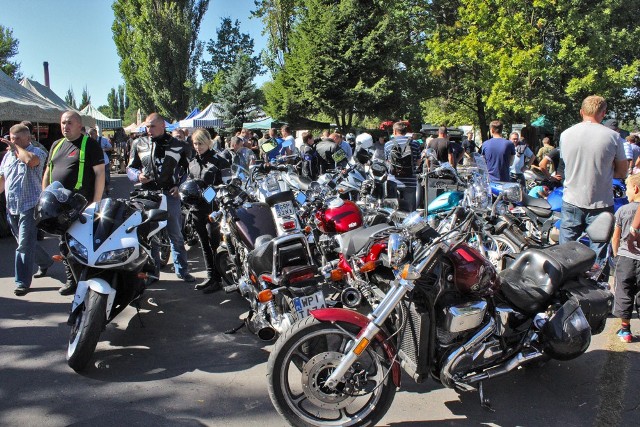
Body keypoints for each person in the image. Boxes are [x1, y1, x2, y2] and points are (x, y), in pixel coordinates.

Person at [559, 95, 627, 275]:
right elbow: (622, 172)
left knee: (565, 252)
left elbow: (564, 165)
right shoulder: (613, 137)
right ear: (603, 114)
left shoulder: (566, 134)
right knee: (598, 253)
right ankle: (596, 293)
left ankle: (564, 289)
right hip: (601, 202)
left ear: (581, 111)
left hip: (571, 199)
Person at [42, 111, 106, 295]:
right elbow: (48, 170)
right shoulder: (56, 144)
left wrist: (96, 203)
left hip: (81, 205)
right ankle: (72, 280)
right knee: (64, 245)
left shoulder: (90, 145)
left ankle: (88, 281)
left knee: (83, 246)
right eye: (63, 123)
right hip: (58, 206)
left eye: (69, 123)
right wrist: (44, 194)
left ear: (79, 125)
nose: (65, 126)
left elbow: (100, 174)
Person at [127, 112, 195, 283]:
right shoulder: (138, 143)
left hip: (169, 194)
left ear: (163, 126)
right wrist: (138, 176)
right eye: (147, 126)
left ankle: (182, 270)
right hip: (147, 195)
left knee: (176, 234)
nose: (148, 130)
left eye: (152, 126)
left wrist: (179, 186)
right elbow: (130, 168)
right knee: (151, 236)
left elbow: (188, 170)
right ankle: (153, 273)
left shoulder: (179, 145)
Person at [0, 124, 52, 296]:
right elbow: (2, 179)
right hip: (12, 207)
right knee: (27, 243)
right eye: (11, 139)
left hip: (30, 206)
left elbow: (31, 161)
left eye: (16, 140)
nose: (11, 143)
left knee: (23, 244)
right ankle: (45, 261)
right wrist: (13, 149)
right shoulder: (8, 156)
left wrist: (16, 148)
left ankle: (21, 282)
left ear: (28, 138)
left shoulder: (37, 152)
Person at [187, 129, 227, 293]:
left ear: (208, 142)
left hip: (214, 210)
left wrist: (209, 194)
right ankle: (211, 277)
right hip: (196, 209)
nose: (197, 147)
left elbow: (226, 185)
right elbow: (190, 183)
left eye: (200, 143)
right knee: (204, 245)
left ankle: (220, 278)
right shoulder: (192, 162)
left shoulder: (220, 161)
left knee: (215, 244)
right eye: (195, 143)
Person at [610, 173, 640, 342]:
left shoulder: (623, 210)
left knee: (624, 292)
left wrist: (616, 255)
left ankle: (625, 330)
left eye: (627, 188)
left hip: (625, 258)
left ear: (635, 189)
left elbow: (616, 237)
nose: (626, 192)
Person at [384, 121, 421, 212]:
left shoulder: (388, 144)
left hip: (393, 181)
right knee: (410, 211)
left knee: (392, 211)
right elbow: (418, 162)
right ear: (405, 131)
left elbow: (387, 162)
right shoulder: (415, 143)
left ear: (395, 132)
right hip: (410, 181)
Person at [89, 128, 112, 196]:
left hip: (104, 161)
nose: (90, 136)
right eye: (89, 134)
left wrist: (104, 149)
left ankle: (107, 188)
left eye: (92, 134)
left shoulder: (103, 140)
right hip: (94, 162)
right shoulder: (89, 141)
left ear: (96, 133)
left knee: (106, 176)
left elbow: (110, 147)